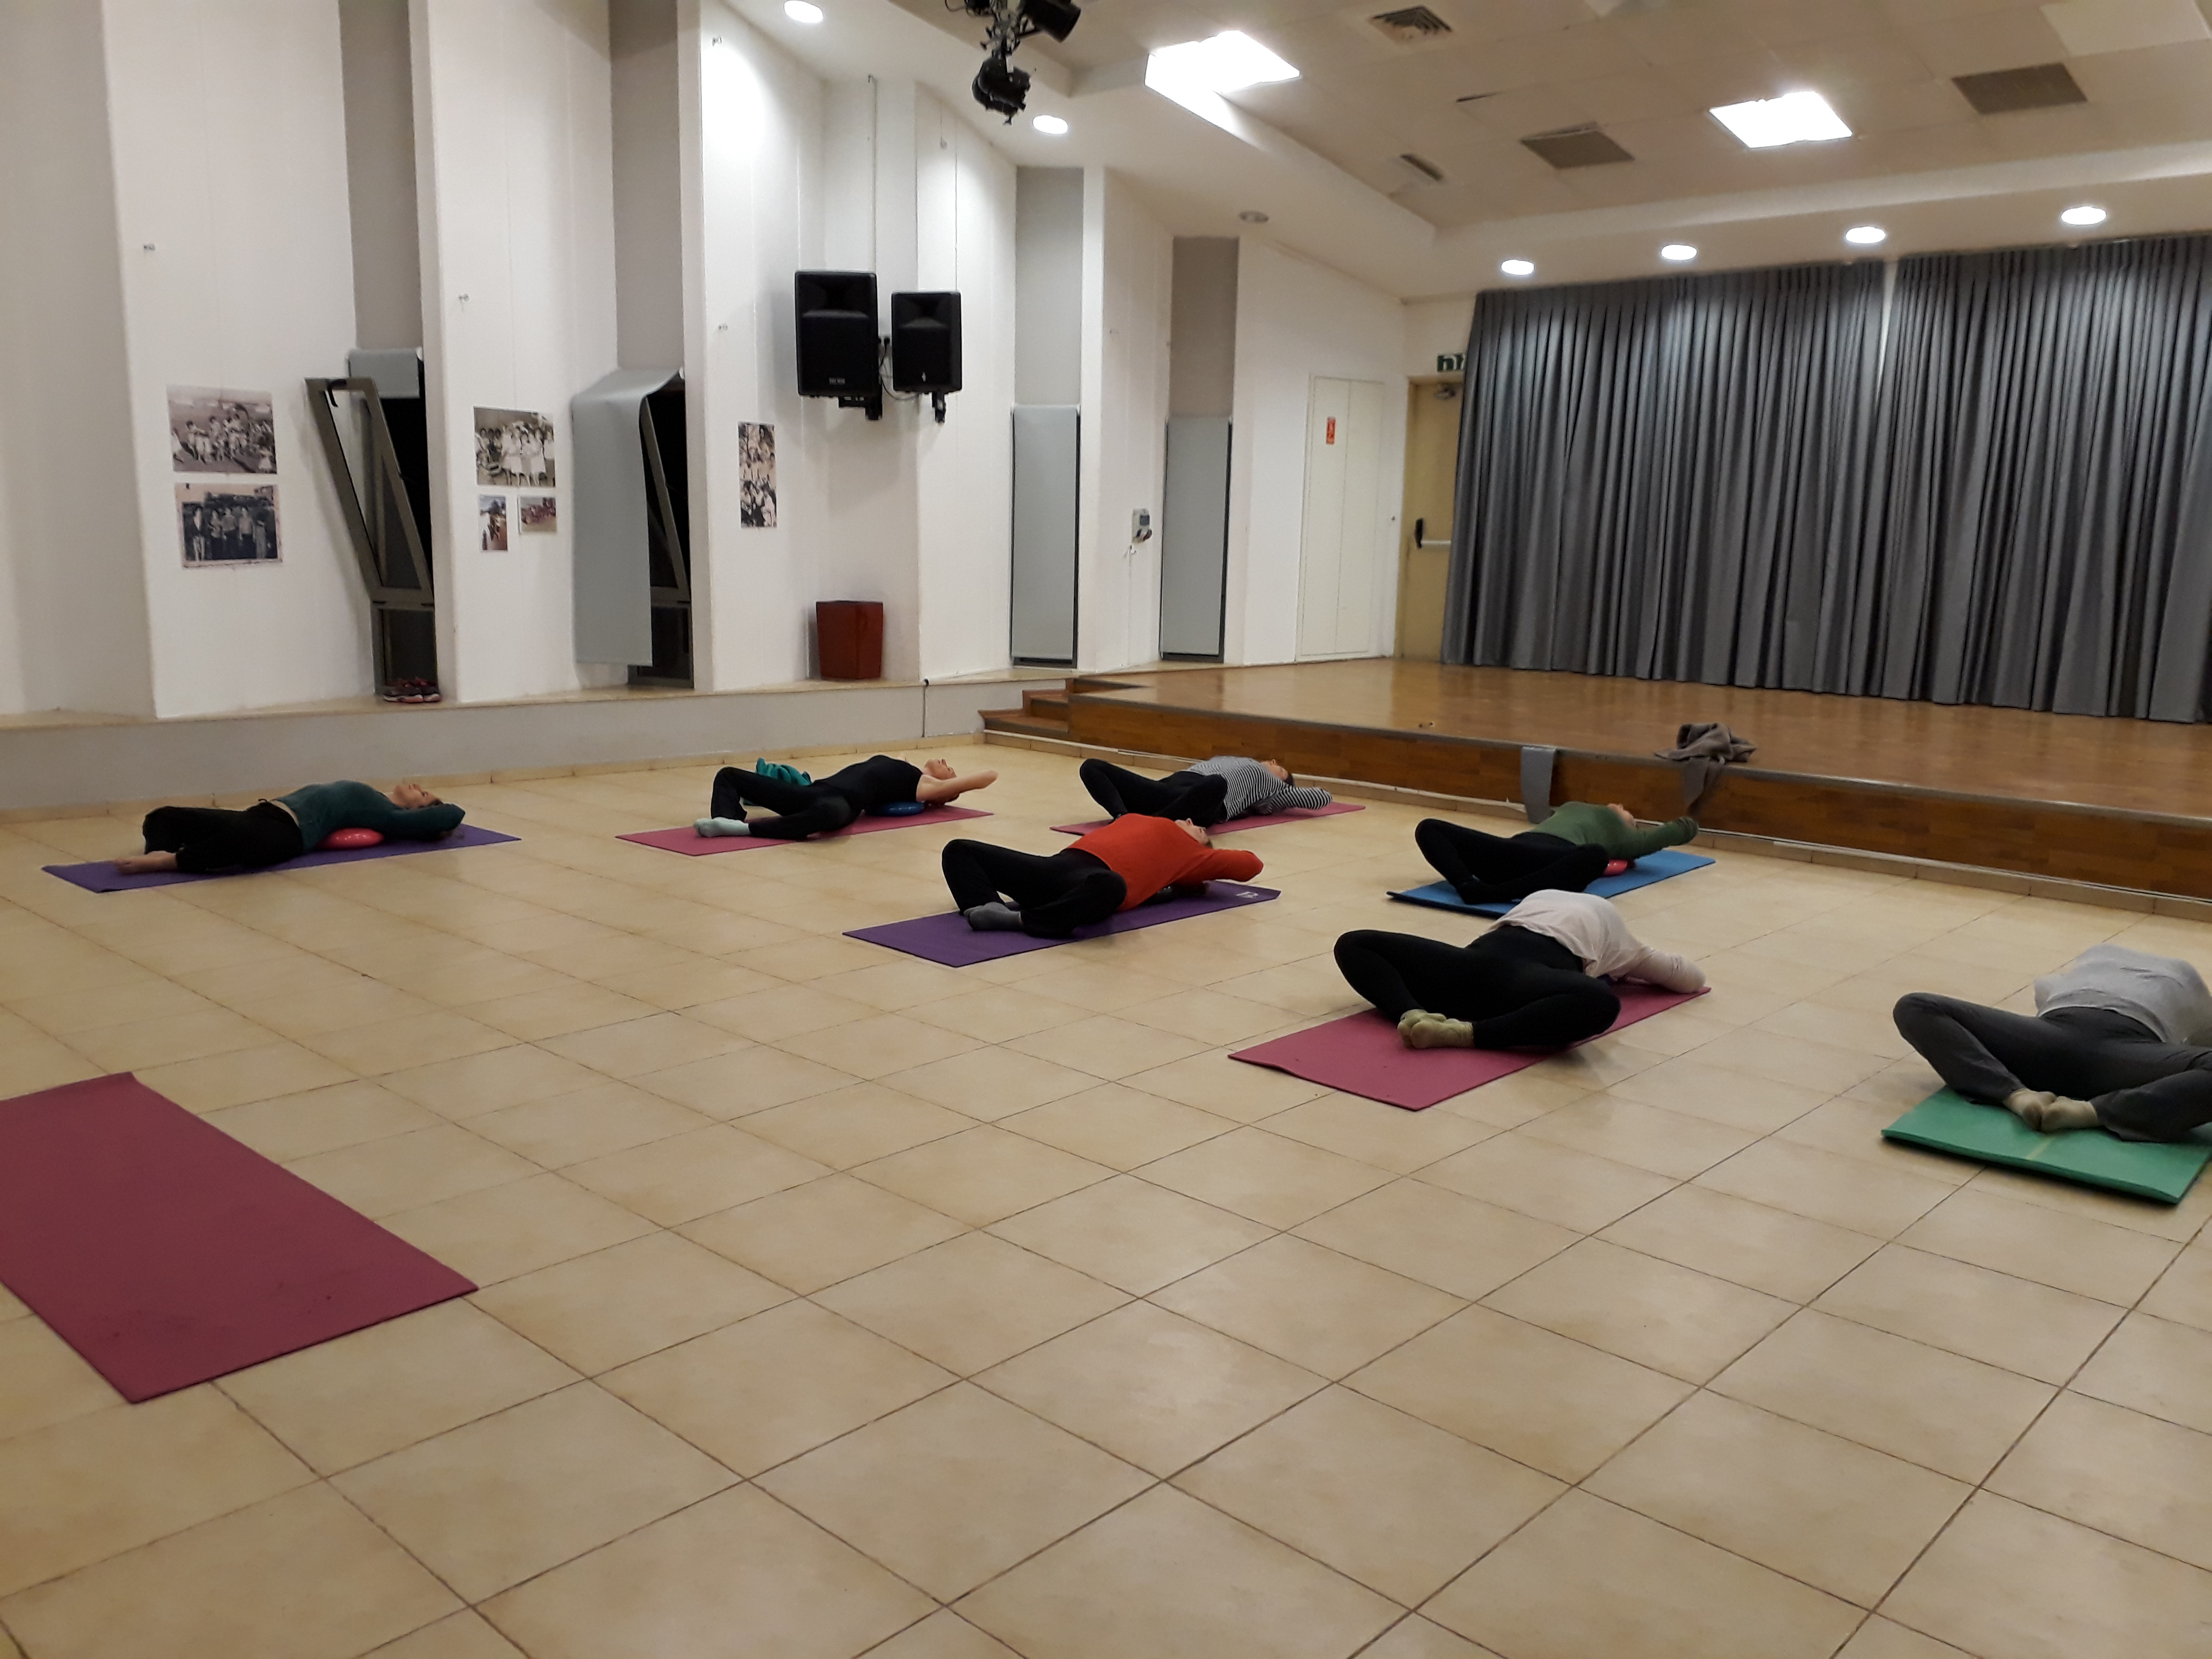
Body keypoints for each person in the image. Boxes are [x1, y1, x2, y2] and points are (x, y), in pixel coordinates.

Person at [1894, 944, 2212, 1140]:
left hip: (2047, 1044)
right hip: (2123, 1060)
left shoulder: (2068, 976)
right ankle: (2092, 1112)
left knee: (1916, 1005)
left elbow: (2042, 997)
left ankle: (2014, 1094)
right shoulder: (2188, 979)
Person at [1335, 888, 1704, 1050]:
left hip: (1464, 972)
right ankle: (1463, 1034)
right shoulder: (1622, 940)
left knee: (1355, 943)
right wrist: (1629, 968)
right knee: (1600, 1000)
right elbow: (1690, 979)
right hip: (1520, 990)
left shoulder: (1540, 899)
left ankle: (1413, 1014)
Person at [943, 813, 1262, 939]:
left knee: (1111, 885)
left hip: (1094, 882)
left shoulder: (1195, 855)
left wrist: (1195, 871)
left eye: (1200, 829)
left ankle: (1021, 921)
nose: (1191, 821)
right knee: (960, 850)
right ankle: (985, 907)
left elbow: (1252, 865)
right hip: (1055, 867)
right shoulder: (1140, 818)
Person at [114, 781, 464, 876]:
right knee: (163, 817)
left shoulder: (389, 815)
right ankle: (159, 853)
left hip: (287, 834)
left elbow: (452, 814)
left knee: (243, 839)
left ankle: (168, 863)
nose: (417, 786)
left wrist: (430, 812)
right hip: (260, 814)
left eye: (423, 795)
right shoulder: (378, 799)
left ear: (416, 812)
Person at [1415, 801, 1699, 907]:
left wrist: (1694, 815)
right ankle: (1467, 885)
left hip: (1553, 862)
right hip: (1512, 851)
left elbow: (1681, 829)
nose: (1624, 807)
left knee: (1595, 855)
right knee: (1429, 827)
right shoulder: (1573, 806)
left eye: (1630, 815)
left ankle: (1492, 893)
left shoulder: (1626, 838)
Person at [694, 755, 997, 841]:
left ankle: (745, 830)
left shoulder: (924, 787)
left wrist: (952, 787)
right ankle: (724, 819)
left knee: (825, 817)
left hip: (842, 804)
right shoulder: (907, 767)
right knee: (729, 775)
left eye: (950, 769)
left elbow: (986, 777)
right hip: (814, 790)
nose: (945, 762)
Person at [1078, 755, 1332, 829]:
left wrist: (1264, 802)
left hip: (1207, 800)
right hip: (1169, 789)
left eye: (1281, 770)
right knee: (1092, 767)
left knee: (1217, 783)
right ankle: (1123, 818)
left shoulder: (1273, 788)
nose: (1275, 763)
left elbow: (1322, 798)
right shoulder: (1234, 759)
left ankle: (1153, 825)